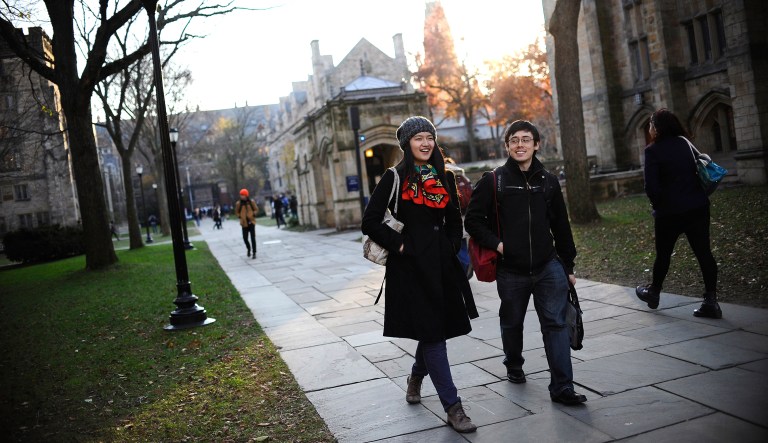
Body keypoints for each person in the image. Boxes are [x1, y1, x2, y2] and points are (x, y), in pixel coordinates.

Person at [361, 116, 479, 433]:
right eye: (418, 138)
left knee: (434, 332)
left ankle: (416, 376)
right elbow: (370, 221)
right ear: (406, 144)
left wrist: (452, 245)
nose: (425, 143)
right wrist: (401, 246)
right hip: (411, 271)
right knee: (434, 336)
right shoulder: (394, 177)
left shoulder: (444, 177)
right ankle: (454, 409)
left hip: (441, 268)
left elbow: (455, 219)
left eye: (429, 137)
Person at [465, 119, 587, 406]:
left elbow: (561, 226)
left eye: (526, 139)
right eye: (514, 140)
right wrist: (499, 245)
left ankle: (562, 388)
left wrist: (567, 267)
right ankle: (514, 363)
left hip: (548, 267)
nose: (520, 144)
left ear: (536, 144)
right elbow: (472, 220)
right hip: (511, 270)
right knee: (512, 322)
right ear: (507, 145)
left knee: (555, 325)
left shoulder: (548, 181)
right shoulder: (494, 180)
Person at [635, 108, 721, 318]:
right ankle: (711, 300)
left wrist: (659, 205)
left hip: (669, 213)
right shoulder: (685, 143)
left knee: (663, 255)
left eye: (651, 125)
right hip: (697, 207)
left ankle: (654, 292)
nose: (650, 128)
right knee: (704, 253)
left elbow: (651, 187)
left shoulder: (652, 151)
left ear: (657, 128)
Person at [235, 189, 258, 259]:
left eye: (243, 195)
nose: (241, 196)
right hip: (244, 223)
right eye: (241, 195)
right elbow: (236, 212)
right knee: (245, 238)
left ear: (246, 195)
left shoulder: (251, 202)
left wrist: (253, 214)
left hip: (251, 222)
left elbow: (256, 209)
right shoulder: (239, 203)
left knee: (253, 238)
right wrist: (240, 216)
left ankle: (254, 252)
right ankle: (248, 248)